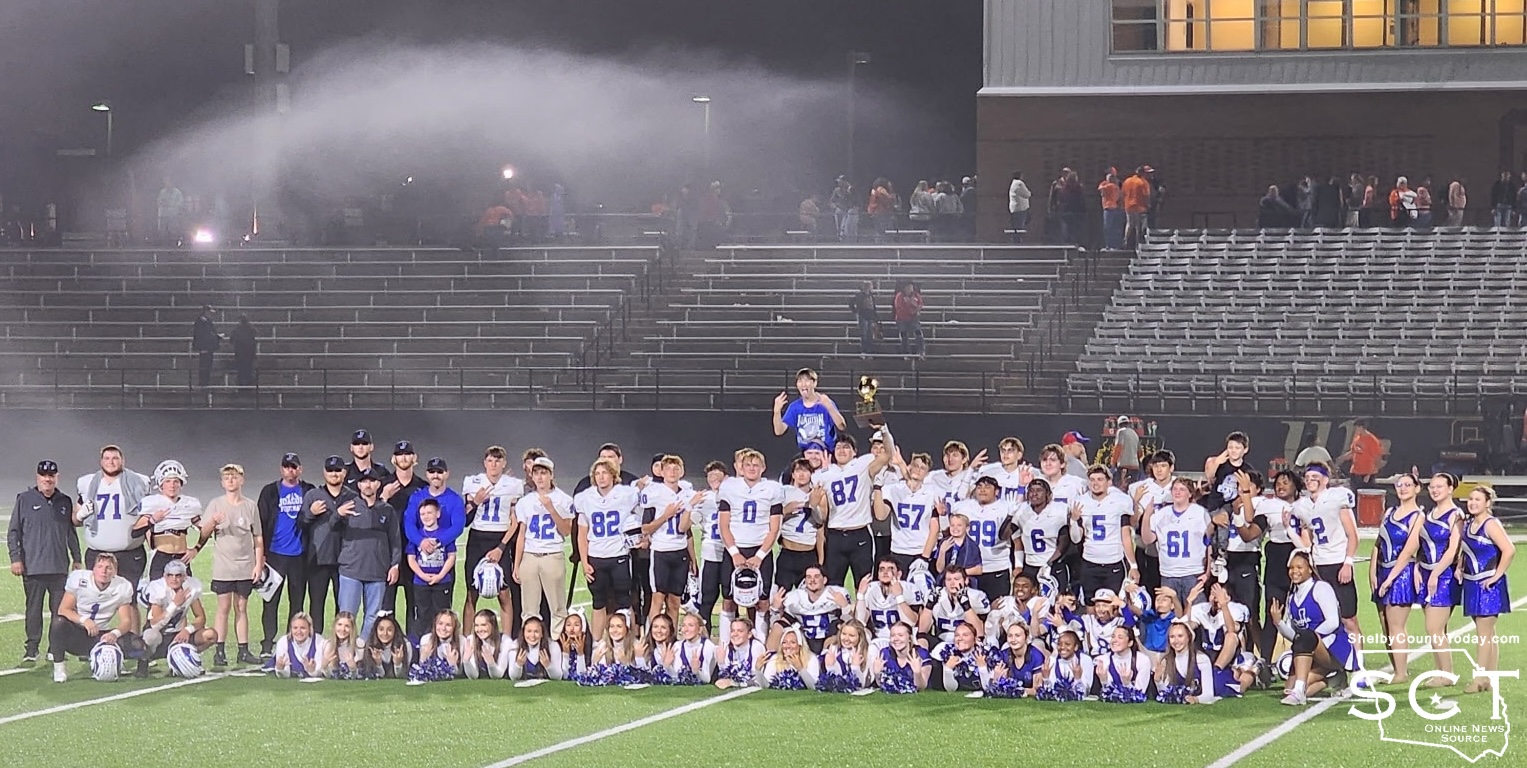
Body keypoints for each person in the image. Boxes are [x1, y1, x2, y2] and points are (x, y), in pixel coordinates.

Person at [9, 460, 82, 663]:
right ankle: (32, 649)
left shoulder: (64, 501)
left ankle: (55, 648)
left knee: (60, 612)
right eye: (44, 475)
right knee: (33, 610)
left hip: (59, 568)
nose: (47, 479)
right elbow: (14, 532)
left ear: (57, 477)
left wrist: (77, 558)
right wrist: (15, 558)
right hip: (33, 567)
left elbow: (70, 532)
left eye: (51, 476)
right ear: (37, 477)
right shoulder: (24, 499)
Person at [195, 464, 264, 667]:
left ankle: (243, 650)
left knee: (241, 607)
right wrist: (213, 522)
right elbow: (203, 533)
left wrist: (258, 564)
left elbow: (258, 537)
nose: (231, 481)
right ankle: (219, 651)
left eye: (234, 477)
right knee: (223, 607)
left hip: (245, 566)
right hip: (223, 567)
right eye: (227, 478)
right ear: (222, 483)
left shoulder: (250, 506)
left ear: (242, 480)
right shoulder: (216, 504)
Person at [1271, 552, 1360, 705]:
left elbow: (1333, 622)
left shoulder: (1321, 588)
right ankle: (1332, 679)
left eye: (1299, 567)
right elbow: (1294, 637)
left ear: (1310, 569)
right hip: (1309, 649)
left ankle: (1301, 690)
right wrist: (1279, 623)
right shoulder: (1292, 598)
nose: (1294, 571)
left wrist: (1310, 636)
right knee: (1288, 690)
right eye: (1291, 568)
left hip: (1333, 649)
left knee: (1305, 638)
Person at [1288, 462, 1360, 642]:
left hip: (1338, 562)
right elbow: (1307, 539)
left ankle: (1358, 657)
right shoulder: (1302, 506)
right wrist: (1289, 529)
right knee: (1324, 615)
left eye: (1315, 477)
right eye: (1307, 477)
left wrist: (1348, 562)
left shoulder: (1337, 497)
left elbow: (1353, 535)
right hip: (1317, 566)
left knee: (1348, 618)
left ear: (1326, 480)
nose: (1310, 480)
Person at [815, 431, 895, 590]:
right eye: (838, 447)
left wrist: (884, 430)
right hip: (835, 535)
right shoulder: (824, 474)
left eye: (846, 447)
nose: (841, 450)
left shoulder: (863, 465)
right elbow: (819, 509)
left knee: (864, 585)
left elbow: (887, 454)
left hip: (860, 534)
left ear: (855, 452)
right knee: (832, 586)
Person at [74, 445, 153, 595]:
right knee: (95, 597)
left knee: (129, 598)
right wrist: (80, 515)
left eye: (115, 458)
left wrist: (152, 547)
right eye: (107, 458)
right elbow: (75, 520)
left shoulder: (138, 482)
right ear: (101, 461)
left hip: (130, 553)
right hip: (97, 553)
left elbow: (147, 517)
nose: (111, 462)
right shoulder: (88, 483)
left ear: (123, 460)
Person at [718, 449, 784, 626]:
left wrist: (760, 556)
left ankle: (760, 640)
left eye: (756, 465)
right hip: (735, 549)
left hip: (760, 549)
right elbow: (723, 525)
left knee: (762, 600)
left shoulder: (772, 489)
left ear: (763, 467)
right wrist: (734, 553)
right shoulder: (730, 487)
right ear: (741, 467)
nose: (752, 468)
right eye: (748, 464)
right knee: (729, 599)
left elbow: (774, 528)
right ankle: (726, 641)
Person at [574, 457, 639, 638]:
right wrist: (585, 562)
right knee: (598, 602)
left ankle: (629, 642)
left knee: (625, 601)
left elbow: (642, 511)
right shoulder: (585, 498)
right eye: (597, 473)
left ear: (613, 475)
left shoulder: (625, 494)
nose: (601, 477)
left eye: (605, 473)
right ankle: (597, 643)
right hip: (596, 556)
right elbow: (582, 533)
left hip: (619, 555)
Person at [257, 452, 313, 658]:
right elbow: (260, 524)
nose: (290, 470)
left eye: (294, 467)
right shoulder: (270, 492)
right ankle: (267, 644)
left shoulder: (308, 490)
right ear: (281, 469)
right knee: (270, 601)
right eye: (287, 467)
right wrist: (261, 554)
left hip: (299, 556)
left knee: (297, 603)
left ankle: (294, 642)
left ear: (300, 469)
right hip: (274, 555)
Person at [335, 467, 401, 641]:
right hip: (351, 570)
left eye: (372, 481)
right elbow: (331, 529)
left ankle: (363, 649)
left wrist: (394, 565)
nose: (368, 485)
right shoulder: (348, 507)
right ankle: (345, 651)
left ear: (378, 484)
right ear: (359, 485)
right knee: (347, 616)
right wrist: (337, 515)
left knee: (373, 616)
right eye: (364, 481)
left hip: (377, 572)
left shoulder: (387, 510)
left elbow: (395, 540)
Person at [1460, 486, 1514, 694]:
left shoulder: (1491, 524)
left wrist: (1497, 575)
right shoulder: (1469, 524)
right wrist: (1459, 567)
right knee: (1488, 634)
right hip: (1472, 583)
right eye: (1470, 499)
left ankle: (1479, 678)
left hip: (1488, 585)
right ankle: (1489, 678)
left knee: (1483, 634)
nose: (1472, 503)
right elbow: (1466, 551)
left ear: (1487, 503)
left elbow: (1509, 550)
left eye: (1478, 499)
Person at [50, 553, 136, 682]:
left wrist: (114, 634)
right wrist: (84, 620)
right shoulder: (79, 579)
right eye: (100, 566)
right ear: (93, 569)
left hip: (101, 635)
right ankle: (59, 668)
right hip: (78, 634)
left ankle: (120, 663)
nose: (104, 571)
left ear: (115, 572)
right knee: (58, 623)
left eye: (108, 568)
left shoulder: (122, 586)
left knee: (139, 645)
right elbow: (63, 609)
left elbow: (126, 621)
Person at [461, 446, 525, 621]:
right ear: (485, 463)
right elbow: (465, 519)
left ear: (504, 463)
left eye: (498, 460)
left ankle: (507, 636)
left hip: (500, 537)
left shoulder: (513, 485)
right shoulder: (473, 482)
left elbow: (515, 521)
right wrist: (475, 502)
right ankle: (467, 635)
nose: (494, 464)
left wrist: (501, 547)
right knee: (472, 593)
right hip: (477, 538)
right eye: (490, 460)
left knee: (504, 594)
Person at [1371, 473, 1424, 683]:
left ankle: (1401, 673)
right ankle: (1396, 669)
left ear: (1417, 488)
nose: (1403, 488)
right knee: (1386, 627)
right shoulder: (1390, 512)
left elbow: (1409, 550)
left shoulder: (1418, 516)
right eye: (1400, 485)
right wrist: (1373, 572)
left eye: (1408, 485)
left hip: (1401, 575)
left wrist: (1390, 579)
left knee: (1396, 626)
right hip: (1382, 571)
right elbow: (1378, 543)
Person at [514, 456, 575, 631]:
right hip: (530, 556)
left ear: (551, 475)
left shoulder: (564, 500)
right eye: (536, 473)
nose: (540, 477)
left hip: (552, 554)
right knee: (528, 609)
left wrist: (551, 509)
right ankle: (530, 643)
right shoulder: (525, 502)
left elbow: (566, 531)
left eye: (543, 473)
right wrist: (517, 564)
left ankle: (558, 642)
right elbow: (522, 534)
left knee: (557, 608)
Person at [300, 456, 357, 635]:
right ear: (324, 472)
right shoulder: (313, 495)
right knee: (316, 605)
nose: (334, 473)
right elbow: (300, 524)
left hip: (345, 560)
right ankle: (316, 643)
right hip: (318, 559)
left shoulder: (352, 497)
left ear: (344, 473)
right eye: (330, 470)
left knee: (344, 608)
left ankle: (342, 643)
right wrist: (311, 513)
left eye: (338, 470)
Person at [639, 455, 695, 621]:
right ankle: (652, 635)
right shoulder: (653, 493)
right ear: (661, 472)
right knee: (657, 600)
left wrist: (693, 558)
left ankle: (672, 635)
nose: (672, 472)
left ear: (682, 472)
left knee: (675, 603)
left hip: (680, 552)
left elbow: (687, 530)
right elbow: (645, 528)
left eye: (676, 469)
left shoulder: (688, 494)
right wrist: (665, 516)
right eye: (668, 469)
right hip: (661, 552)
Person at [138, 559, 217, 676]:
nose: (174, 579)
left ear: (184, 577)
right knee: (151, 636)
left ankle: (184, 659)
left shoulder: (190, 588)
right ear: (164, 576)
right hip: (159, 637)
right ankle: (143, 662)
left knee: (211, 635)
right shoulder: (158, 589)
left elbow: (201, 617)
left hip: (178, 636)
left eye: (178, 575)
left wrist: (187, 630)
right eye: (170, 575)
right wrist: (174, 605)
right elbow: (155, 624)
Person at [1140, 478, 1210, 605]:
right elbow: (1147, 539)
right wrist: (1146, 516)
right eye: (1175, 489)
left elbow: (1210, 544)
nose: (1177, 492)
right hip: (1168, 574)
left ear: (1190, 494)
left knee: (1196, 611)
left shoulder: (1200, 513)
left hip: (1193, 573)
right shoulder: (1161, 514)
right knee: (1170, 613)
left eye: (1182, 489)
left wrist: (1208, 572)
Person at [1070, 465, 1137, 599]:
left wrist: (1133, 565)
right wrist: (1074, 520)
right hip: (1090, 561)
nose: (1095, 483)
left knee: (1114, 603)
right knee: (1090, 604)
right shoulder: (1081, 502)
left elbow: (1125, 536)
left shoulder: (1120, 501)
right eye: (1092, 480)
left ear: (1109, 482)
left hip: (1114, 561)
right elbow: (1076, 539)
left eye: (1100, 479)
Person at [381, 440, 427, 618]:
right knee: (385, 608)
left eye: (407, 454)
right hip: (388, 551)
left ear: (414, 458)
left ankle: (414, 637)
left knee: (415, 607)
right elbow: (371, 515)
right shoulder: (384, 485)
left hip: (414, 551)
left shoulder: (422, 487)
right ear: (393, 459)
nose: (404, 458)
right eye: (400, 454)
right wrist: (384, 497)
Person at [137, 460, 203, 581]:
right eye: (167, 481)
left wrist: (197, 548)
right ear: (161, 484)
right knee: (158, 591)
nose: (172, 485)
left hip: (182, 557)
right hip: (160, 556)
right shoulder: (152, 503)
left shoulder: (189, 504)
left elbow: (205, 529)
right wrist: (152, 520)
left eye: (176, 481)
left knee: (186, 591)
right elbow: (135, 531)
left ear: (181, 484)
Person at [877, 453, 942, 575]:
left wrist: (925, 557)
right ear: (909, 467)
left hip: (922, 550)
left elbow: (934, 529)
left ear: (927, 473)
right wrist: (877, 488)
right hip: (900, 550)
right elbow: (880, 515)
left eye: (922, 468)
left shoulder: (931, 493)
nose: (918, 470)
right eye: (916, 466)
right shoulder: (894, 489)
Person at [405, 498, 457, 641]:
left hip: (442, 582)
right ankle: (422, 645)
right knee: (422, 614)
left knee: (442, 615)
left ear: (438, 514)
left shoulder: (445, 534)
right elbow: (411, 558)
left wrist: (440, 575)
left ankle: (442, 644)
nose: (426, 516)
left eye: (429, 513)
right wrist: (422, 575)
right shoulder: (416, 536)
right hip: (421, 583)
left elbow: (451, 556)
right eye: (423, 514)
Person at [777, 458, 826, 593]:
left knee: (809, 596)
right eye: (798, 470)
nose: (802, 474)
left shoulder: (818, 493)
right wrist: (785, 511)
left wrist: (820, 561)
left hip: (808, 554)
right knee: (781, 595)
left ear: (811, 474)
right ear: (793, 474)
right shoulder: (784, 492)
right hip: (787, 552)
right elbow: (772, 521)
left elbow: (821, 524)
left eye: (806, 471)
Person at [1157, 620, 1218, 704]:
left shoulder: (1201, 659)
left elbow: (1209, 695)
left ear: (1189, 637)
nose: (1176, 641)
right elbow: (1165, 694)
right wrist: (1158, 681)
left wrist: (1196, 699)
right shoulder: (1166, 660)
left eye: (1180, 636)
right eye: (1172, 637)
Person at [872, 622, 929, 693]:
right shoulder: (885, 654)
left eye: (900, 635)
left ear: (909, 638)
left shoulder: (921, 654)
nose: (896, 639)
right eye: (893, 635)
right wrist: (877, 674)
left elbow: (921, 687)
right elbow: (882, 685)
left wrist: (917, 673)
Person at [273, 612, 331, 680]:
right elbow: (285, 674)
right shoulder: (283, 642)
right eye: (295, 628)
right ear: (291, 629)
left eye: (303, 628)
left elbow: (320, 672)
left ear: (310, 629)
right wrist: (280, 669)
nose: (299, 631)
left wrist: (312, 671)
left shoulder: (319, 641)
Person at [977, 436, 1033, 503]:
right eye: (1003, 450)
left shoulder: (1027, 473)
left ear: (1019, 455)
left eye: (1010, 450)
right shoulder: (989, 473)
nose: (1005, 454)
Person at [510, 615, 566, 681]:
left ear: (542, 634)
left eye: (536, 631)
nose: (532, 635)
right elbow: (513, 677)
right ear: (523, 633)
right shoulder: (515, 645)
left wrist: (548, 665)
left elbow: (558, 677)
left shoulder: (553, 646)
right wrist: (518, 665)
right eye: (529, 631)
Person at [460, 609, 509, 680]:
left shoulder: (505, 641)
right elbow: (473, 676)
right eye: (476, 625)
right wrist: (466, 661)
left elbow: (498, 675)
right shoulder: (470, 640)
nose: (479, 629)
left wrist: (491, 663)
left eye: (483, 625)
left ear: (493, 625)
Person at [1336, 419, 1384, 489]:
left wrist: (1369, 474)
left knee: (1365, 492)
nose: (1355, 430)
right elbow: (1353, 452)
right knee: (1354, 491)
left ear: (1361, 427)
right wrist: (1342, 458)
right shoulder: (1357, 438)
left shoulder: (1372, 440)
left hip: (1366, 473)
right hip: (1355, 472)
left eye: (1356, 428)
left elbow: (1377, 458)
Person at [362, 613, 412, 678]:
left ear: (395, 631)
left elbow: (403, 677)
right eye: (381, 629)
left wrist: (398, 664)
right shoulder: (370, 645)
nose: (385, 633)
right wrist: (378, 664)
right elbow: (375, 677)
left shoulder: (405, 645)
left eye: (389, 630)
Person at [323, 612, 362, 678]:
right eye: (339, 625)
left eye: (347, 626)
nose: (343, 629)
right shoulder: (329, 644)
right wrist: (324, 667)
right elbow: (329, 677)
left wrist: (353, 668)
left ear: (352, 629)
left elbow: (361, 677)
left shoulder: (358, 644)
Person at [892, 282, 925, 357]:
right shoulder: (899, 296)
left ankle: (921, 351)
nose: (910, 289)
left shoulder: (916, 295)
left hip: (913, 318)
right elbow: (899, 308)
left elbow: (920, 304)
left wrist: (915, 307)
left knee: (918, 334)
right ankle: (905, 353)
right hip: (902, 319)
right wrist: (910, 309)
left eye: (911, 287)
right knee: (904, 336)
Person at [191, 305, 221, 388]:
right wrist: (216, 337)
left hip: (207, 347)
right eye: (210, 313)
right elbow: (205, 335)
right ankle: (203, 385)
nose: (211, 315)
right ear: (206, 312)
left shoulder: (204, 321)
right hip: (205, 347)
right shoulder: (202, 322)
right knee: (205, 367)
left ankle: (205, 384)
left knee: (207, 367)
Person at [849, 282, 878, 354]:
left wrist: (875, 317)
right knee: (864, 334)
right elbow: (851, 303)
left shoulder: (871, 296)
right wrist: (856, 311)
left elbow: (873, 307)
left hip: (870, 316)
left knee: (869, 334)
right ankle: (864, 349)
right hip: (863, 316)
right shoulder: (859, 295)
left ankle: (869, 348)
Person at [229, 315, 258, 386]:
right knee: (249, 369)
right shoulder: (251, 329)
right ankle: (249, 384)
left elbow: (231, 340)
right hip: (249, 353)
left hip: (240, 354)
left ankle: (242, 384)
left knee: (241, 370)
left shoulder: (236, 330)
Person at [1008, 171, 1031, 243]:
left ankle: (1016, 239)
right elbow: (1026, 194)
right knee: (1019, 225)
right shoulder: (1019, 183)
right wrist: (1029, 193)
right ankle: (1017, 240)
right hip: (1020, 208)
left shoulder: (1013, 183)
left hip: (1015, 208)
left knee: (1016, 224)